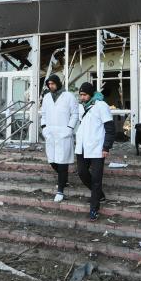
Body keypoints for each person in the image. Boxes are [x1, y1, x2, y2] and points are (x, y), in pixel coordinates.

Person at [75, 82, 115, 221]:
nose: (82, 97)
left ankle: (94, 209)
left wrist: (106, 147)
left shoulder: (101, 106)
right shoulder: (81, 107)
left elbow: (110, 128)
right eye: (80, 95)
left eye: (84, 94)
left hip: (97, 148)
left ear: (91, 94)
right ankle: (99, 195)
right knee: (81, 172)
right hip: (82, 148)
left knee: (97, 179)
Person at [41, 74, 78, 202]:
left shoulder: (69, 96)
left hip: (64, 134)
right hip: (51, 133)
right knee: (52, 160)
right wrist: (44, 128)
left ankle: (60, 191)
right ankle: (64, 179)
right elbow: (43, 114)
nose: (50, 86)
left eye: (52, 84)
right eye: (49, 84)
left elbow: (75, 114)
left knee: (62, 163)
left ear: (58, 83)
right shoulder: (46, 98)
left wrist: (69, 129)